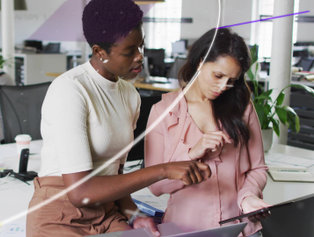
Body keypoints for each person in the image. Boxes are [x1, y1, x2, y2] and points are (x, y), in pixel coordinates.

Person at [25, 0, 212, 236]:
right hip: (61, 214)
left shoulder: (129, 94)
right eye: (129, 51)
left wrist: (133, 214)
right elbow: (80, 193)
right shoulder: (70, 90)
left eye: (141, 47)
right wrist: (163, 170)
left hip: (106, 211)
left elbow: (116, 172)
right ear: (99, 52)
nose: (139, 57)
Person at [145, 28, 268, 237]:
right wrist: (192, 152)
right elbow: (154, 185)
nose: (223, 86)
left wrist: (248, 197)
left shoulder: (243, 107)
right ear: (201, 61)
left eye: (232, 80)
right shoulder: (163, 112)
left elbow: (258, 167)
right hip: (184, 229)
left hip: (239, 228)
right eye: (218, 75)